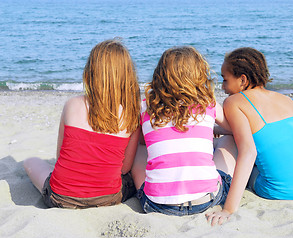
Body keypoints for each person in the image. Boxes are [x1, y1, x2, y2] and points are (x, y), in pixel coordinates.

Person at [206, 47, 293, 225]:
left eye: (225, 80)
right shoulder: (286, 100)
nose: (223, 88)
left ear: (242, 79)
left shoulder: (234, 102)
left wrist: (228, 209)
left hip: (278, 188)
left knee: (235, 145)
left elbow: (248, 153)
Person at [23, 39, 141, 208]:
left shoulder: (72, 104)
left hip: (61, 198)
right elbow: (124, 169)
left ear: (90, 73)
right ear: (126, 77)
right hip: (107, 198)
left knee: (30, 161)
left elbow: (59, 156)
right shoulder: (130, 114)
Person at [131, 46, 236, 216]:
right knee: (229, 140)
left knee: (140, 147)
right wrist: (211, 128)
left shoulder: (145, 106)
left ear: (160, 75)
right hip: (205, 201)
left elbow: (145, 140)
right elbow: (232, 129)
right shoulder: (207, 102)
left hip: (157, 205)